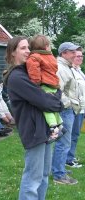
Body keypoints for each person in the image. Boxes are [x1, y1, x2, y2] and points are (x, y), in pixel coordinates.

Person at [4, 36, 63, 200]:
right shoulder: (17, 77)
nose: (28, 51)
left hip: (44, 129)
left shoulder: (29, 72)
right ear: (12, 52)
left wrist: (56, 98)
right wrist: (58, 103)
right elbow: (44, 100)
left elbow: (54, 89)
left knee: (44, 175)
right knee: (33, 178)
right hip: (33, 131)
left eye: (28, 48)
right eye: (23, 48)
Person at [52, 42, 84, 184]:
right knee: (63, 143)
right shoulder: (60, 67)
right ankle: (59, 175)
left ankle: (59, 169)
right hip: (66, 110)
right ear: (64, 53)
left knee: (64, 142)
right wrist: (68, 104)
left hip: (69, 110)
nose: (74, 55)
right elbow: (57, 89)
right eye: (72, 52)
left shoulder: (67, 67)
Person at [26, 35, 66, 143]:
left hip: (44, 84)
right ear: (46, 46)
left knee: (46, 108)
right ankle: (61, 125)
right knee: (53, 107)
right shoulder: (51, 56)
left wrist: (35, 85)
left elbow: (34, 73)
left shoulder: (34, 57)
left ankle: (54, 128)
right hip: (54, 84)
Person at [66, 49, 85, 168]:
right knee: (73, 135)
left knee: (76, 134)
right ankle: (68, 159)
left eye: (81, 56)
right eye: (77, 56)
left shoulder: (79, 71)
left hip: (82, 107)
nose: (80, 58)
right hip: (75, 107)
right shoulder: (70, 71)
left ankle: (70, 156)